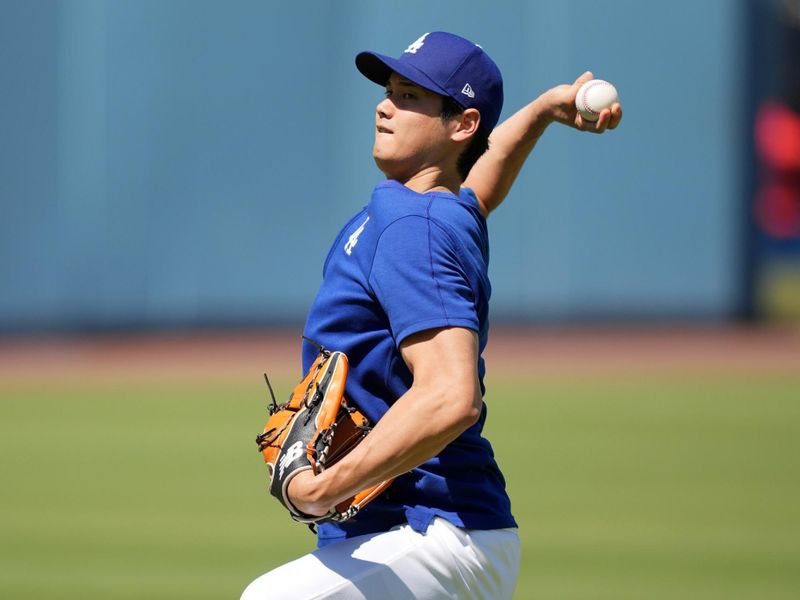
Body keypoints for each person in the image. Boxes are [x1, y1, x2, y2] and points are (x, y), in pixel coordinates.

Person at [241, 31, 622, 600]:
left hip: (434, 531)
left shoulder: (411, 228)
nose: (384, 104)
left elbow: (451, 397)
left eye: (410, 95)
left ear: (461, 124)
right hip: (422, 537)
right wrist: (543, 111)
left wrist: (323, 490)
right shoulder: (444, 212)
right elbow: (482, 177)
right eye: (388, 89)